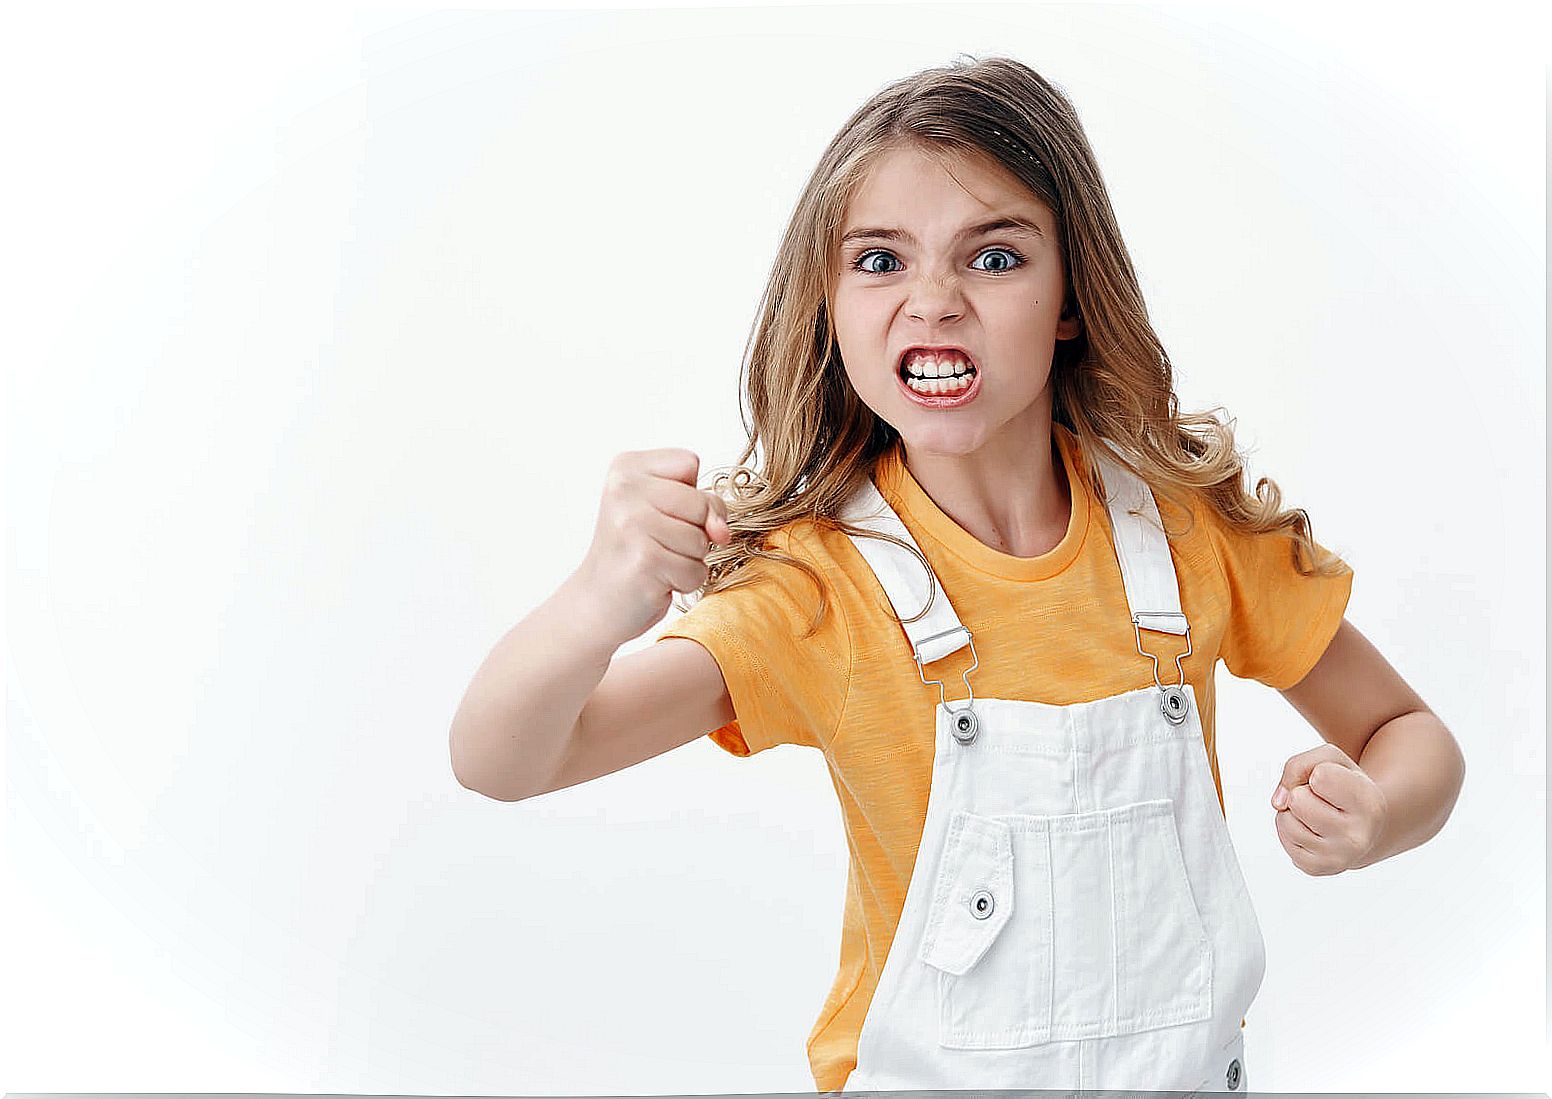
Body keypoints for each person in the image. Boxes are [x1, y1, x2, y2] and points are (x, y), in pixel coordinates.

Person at [448, 54, 1466, 1095]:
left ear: (1071, 297)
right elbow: (506, 759)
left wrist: (1376, 811)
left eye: (992, 258)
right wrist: (594, 604)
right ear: (829, 305)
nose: (932, 302)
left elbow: (1410, 737)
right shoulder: (821, 590)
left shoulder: (1188, 537)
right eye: (880, 261)